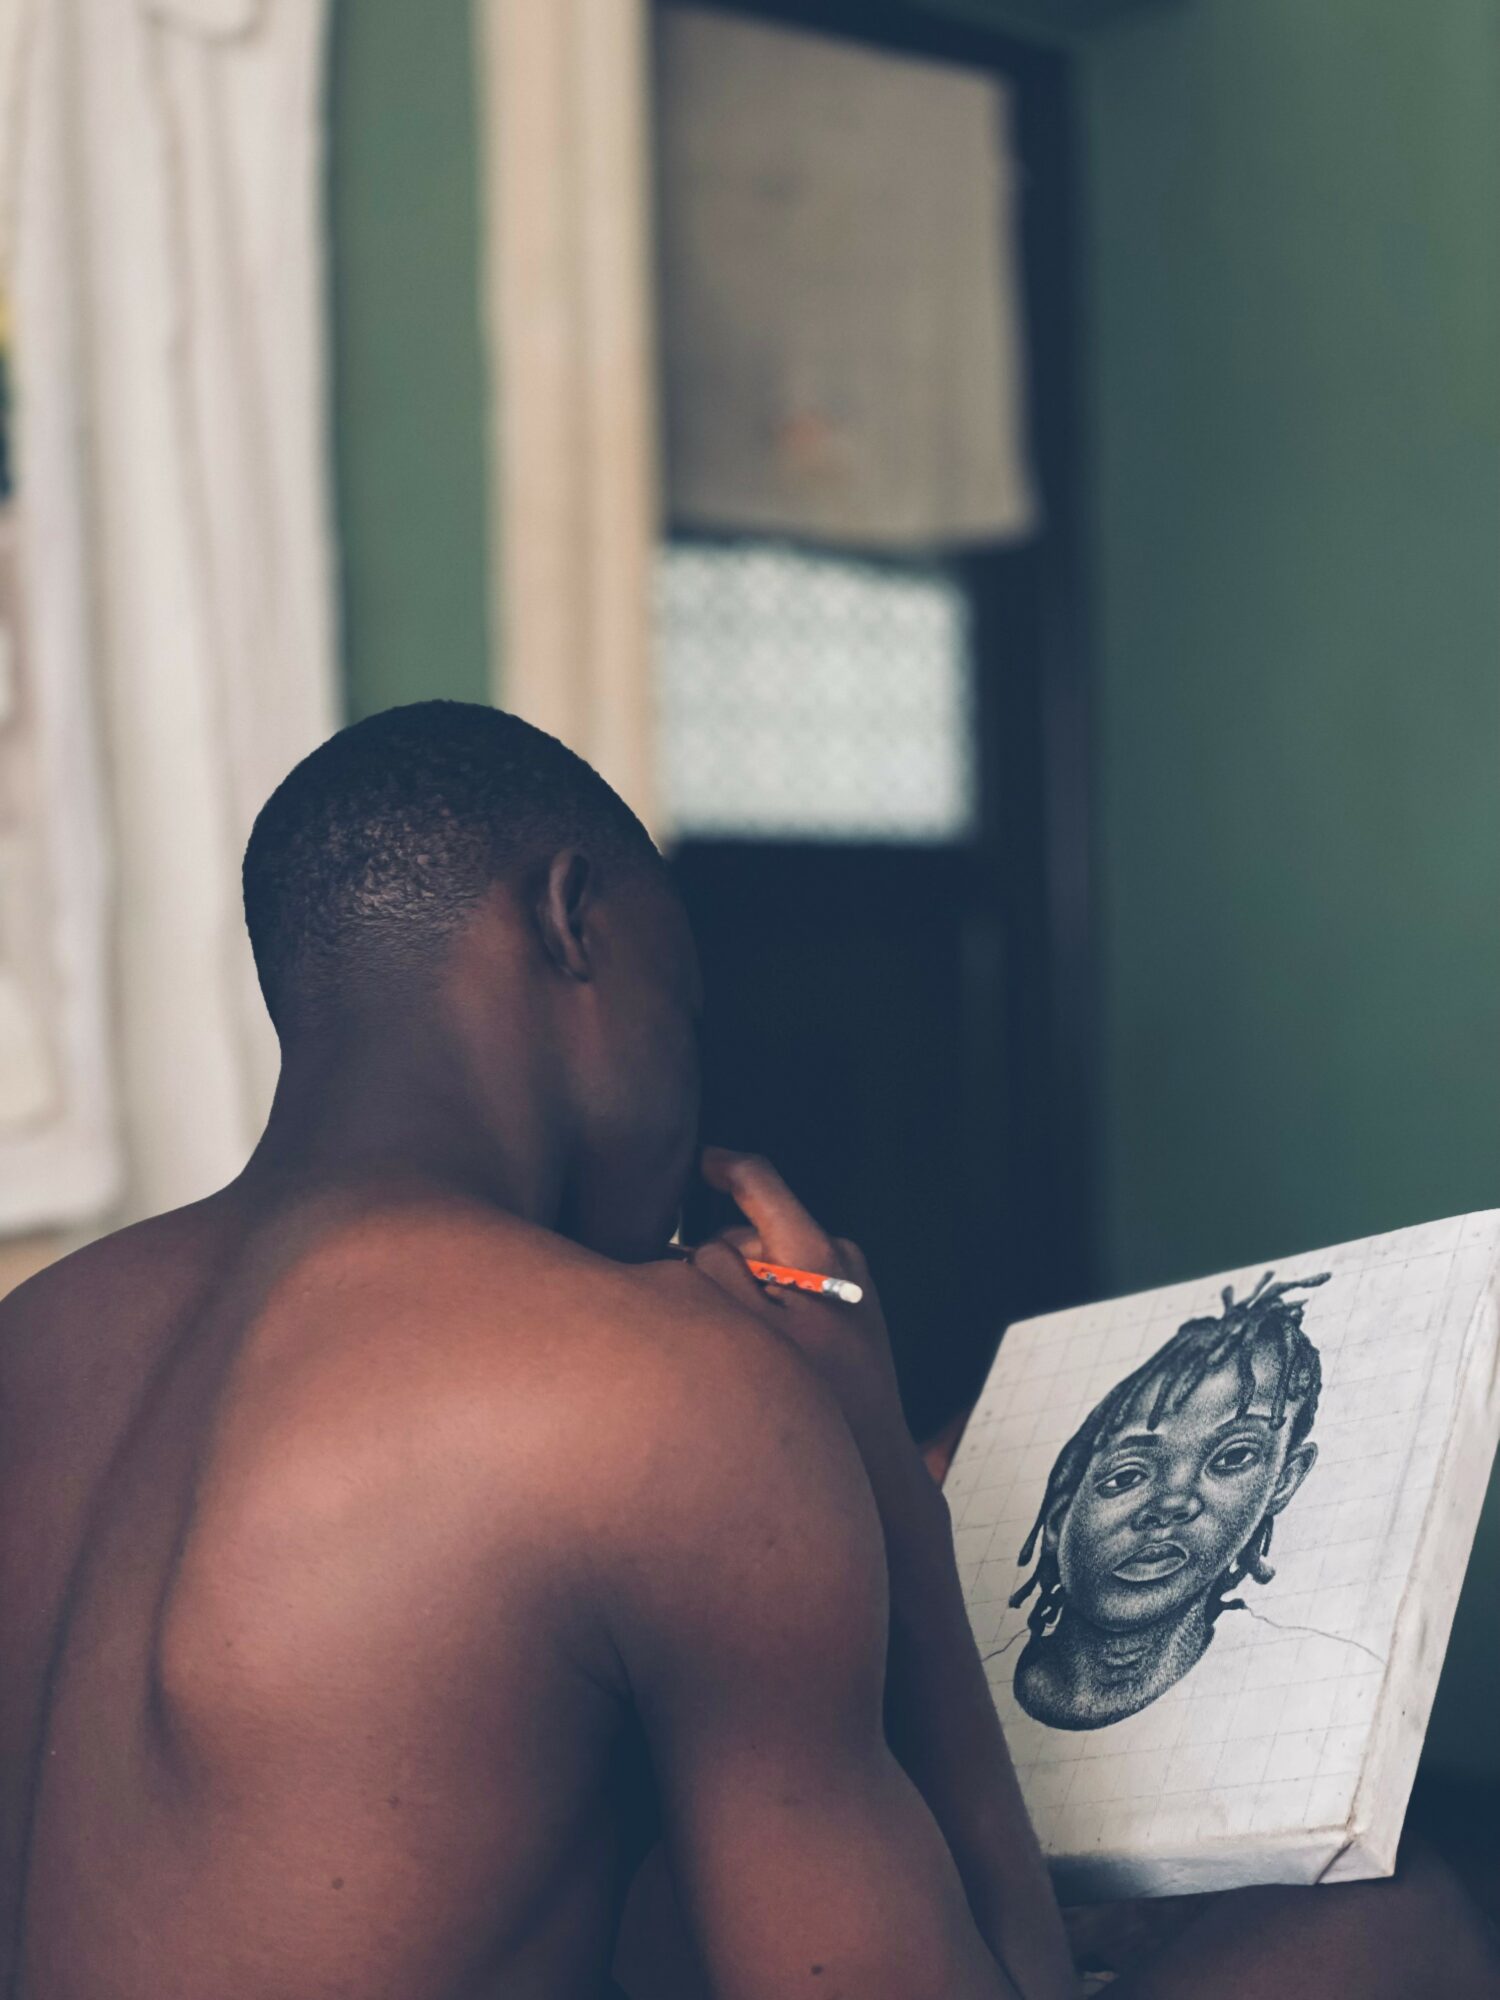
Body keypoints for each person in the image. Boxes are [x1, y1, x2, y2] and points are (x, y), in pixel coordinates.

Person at [0, 702, 1493, 2000]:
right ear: (574, 921)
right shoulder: (654, 1384)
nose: (693, 1077)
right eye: (687, 1013)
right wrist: (874, 1467)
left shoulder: (45, 1332)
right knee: (1390, 1923)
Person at [1008, 1273, 1327, 1730]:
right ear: (1059, 1518)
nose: (1174, 1502)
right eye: (1127, 1476)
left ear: (1283, 1481)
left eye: (1233, 1457)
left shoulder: (1291, 1702)